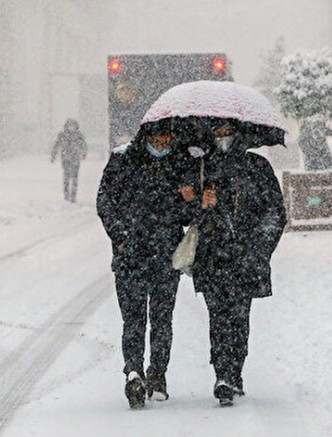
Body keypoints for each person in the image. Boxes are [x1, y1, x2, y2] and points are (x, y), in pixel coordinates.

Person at [180, 118, 286, 406]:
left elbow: (275, 212)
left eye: (228, 132)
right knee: (218, 316)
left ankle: (234, 371)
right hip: (213, 256)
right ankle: (222, 374)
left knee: (239, 318)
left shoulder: (257, 167)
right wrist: (199, 204)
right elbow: (187, 216)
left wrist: (259, 248)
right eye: (218, 132)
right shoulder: (202, 167)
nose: (223, 137)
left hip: (245, 257)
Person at [96, 120, 192, 409]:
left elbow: (187, 215)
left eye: (167, 141)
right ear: (147, 136)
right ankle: (134, 372)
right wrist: (121, 237)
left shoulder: (180, 161)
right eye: (158, 141)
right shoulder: (122, 159)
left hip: (166, 255)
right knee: (134, 318)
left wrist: (188, 200)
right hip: (131, 256)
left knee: (162, 320)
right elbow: (104, 201)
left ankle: (157, 372)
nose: (163, 146)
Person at [51, 119, 88, 202]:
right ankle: (66, 195)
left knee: (75, 178)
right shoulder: (63, 135)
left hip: (75, 159)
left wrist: (84, 153)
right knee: (66, 177)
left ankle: (73, 196)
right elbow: (56, 145)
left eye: (73, 125)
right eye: (70, 125)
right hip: (66, 159)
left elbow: (83, 145)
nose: (71, 127)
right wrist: (53, 155)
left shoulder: (79, 135)